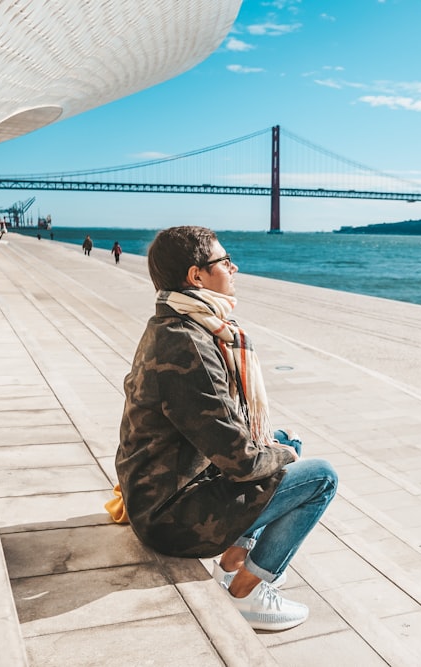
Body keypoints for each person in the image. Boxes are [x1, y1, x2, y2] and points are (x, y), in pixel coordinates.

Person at [115, 226, 337, 631]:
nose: (234, 267)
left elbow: (225, 433)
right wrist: (286, 458)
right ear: (196, 276)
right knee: (321, 477)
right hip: (170, 517)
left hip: (159, 491)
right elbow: (240, 460)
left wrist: (281, 449)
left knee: (286, 440)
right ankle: (247, 593)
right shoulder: (188, 343)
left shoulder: (174, 322)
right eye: (224, 261)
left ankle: (233, 562)